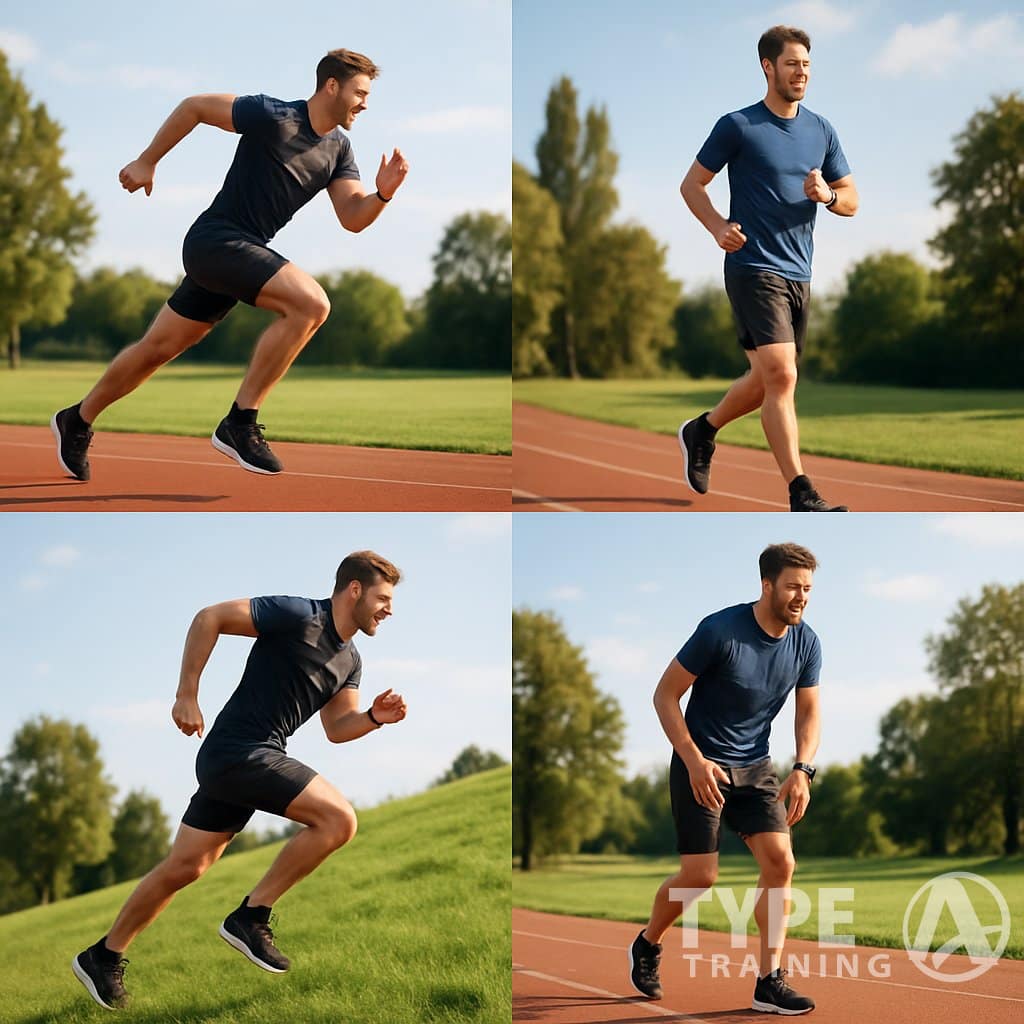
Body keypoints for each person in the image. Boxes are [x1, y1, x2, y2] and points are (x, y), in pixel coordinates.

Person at [72, 551, 407, 1011]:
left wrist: (373, 717)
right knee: (338, 820)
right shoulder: (297, 615)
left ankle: (102, 956)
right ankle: (251, 917)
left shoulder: (350, 660)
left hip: (243, 762)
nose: (389, 609)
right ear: (354, 589)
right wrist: (186, 693)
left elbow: (337, 727)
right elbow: (209, 617)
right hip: (239, 751)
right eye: (383, 598)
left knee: (185, 867)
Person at [52, 49, 409, 480]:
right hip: (216, 240)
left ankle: (77, 419)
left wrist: (383, 195)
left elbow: (353, 217)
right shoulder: (273, 115)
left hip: (238, 255)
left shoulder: (339, 149)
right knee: (312, 304)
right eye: (360, 92)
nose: (365, 103)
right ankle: (240, 422)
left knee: (157, 349)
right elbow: (196, 107)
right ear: (331, 86)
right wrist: (148, 161)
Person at [629, 542, 821, 1015]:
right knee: (701, 876)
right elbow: (664, 695)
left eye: (809, 588)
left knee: (781, 863)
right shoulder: (719, 630)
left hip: (756, 767)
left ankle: (768, 981)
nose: (802, 596)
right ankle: (648, 944)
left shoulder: (807, 642)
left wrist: (802, 768)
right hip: (702, 763)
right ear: (767, 585)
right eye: (794, 586)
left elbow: (810, 709)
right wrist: (693, 760)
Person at [678, 26, 858, 512]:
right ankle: (801, 493)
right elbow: (692, 185)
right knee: (782, 375)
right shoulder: (738, 125)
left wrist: (829, 196)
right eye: (792, 64)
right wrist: (717, 227)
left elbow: (853, 201)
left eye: (806, 65)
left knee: (765, 381)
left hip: (800, 272)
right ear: (768, 67)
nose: (801, 73)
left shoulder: (822, 130)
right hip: (753, 266)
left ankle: (703, 430)